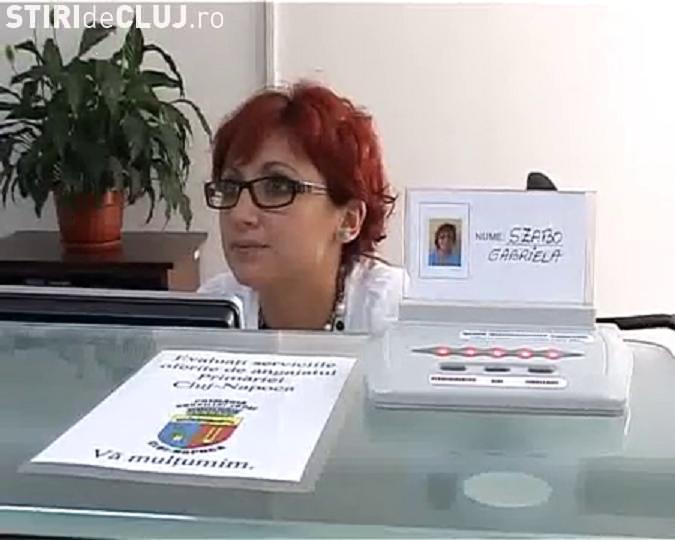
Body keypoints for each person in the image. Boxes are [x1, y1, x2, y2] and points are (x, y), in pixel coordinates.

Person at [199, 81, 407, 333]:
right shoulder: (213, 310)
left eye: (277, 187)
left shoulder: (396, 314)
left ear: (349, 220)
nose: (239, 214)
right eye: (231, 186)